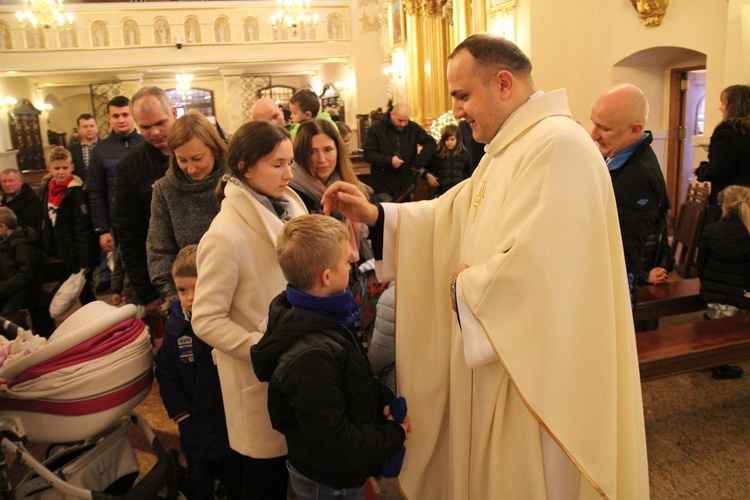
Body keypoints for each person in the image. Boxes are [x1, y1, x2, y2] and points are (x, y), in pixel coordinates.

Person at [322, 33, 648, 498]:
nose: (456, 109)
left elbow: (546, 268)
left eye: (462, 95)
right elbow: (454, 211)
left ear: (502, 84)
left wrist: (464, 287)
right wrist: (377, 214)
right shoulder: (515, 146)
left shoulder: (557, 146)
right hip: (504, 361)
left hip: (538, 380)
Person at [250, 214, 410, 500]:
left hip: (337, 471)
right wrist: (392, 435)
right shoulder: (311, 356)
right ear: (326, 276)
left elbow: (352, 375)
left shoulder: (322, 316)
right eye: (346, 263)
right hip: (330, 482)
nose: (352, 260)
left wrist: (381, 401)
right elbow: (334, 442)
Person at [192, 120, 307, 499]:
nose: (289, 174)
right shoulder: (225, 234)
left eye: (290, 162)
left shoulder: (291, 204)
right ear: (244, 167)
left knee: (299, 467)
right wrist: (258, 346)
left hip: (299, 363)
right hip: (257, 374)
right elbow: (205, 318)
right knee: (265, 477)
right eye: (277, 164)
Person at [154, 245, 243, 499]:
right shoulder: (175, 329)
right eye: (182, 290)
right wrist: (182, 415)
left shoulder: (226, 321)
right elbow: (167, 376)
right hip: (194, 425)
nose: (190, 297)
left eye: (197, 287)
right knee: (199, 484)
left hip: (228, 421)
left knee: (235, 479)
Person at [291, 119, 383, 341]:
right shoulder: (293, 196)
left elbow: (371, 238)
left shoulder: (353, 189)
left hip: (359, 282)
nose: (321, 159)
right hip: (319, 294)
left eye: (328, 149)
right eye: (312, 151)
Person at [590, 83, 669, 306]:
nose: (593, 134)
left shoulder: (640, 178)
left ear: (635, 129)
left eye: (604, 128)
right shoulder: (616, 156)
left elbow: (627, 252)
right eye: (593, 123)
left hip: (616, 288)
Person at [147, 111, 226, 301]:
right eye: (182, 160)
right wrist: (174, 298)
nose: (191, 169)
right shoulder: (164, 190)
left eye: (197, 158)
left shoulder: (236, 181)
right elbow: (159, 252)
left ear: (214, 149)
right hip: (191, 297)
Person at [115, 87, 176, 313]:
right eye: (146, 127)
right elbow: (129, 234)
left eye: (161, 122)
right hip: (160, 271)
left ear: (174, 114)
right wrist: (146, 291)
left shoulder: (201, 151)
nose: (155, 132)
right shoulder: (129, 166)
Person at [86, 96, 143, 298]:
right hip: (118, 223)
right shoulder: (100, 151)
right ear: (108, 119)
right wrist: (102, 229)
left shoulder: (146, 143)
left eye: (125, 114)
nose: (121, 120)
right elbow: (95, 192)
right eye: (116, 116)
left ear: (133, 116)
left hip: (147, 217)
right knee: (128, 270)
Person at [696, 185, 750, 379]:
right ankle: (720, 365)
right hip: (741, 295)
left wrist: (706, 283)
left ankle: (712, 353)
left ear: (723, 205)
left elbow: (700, 264)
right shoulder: (747, 233)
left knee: (718, 320)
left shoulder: (711, 230)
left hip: (712, 292)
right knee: (728, 326)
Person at [39, 146, 97, 306]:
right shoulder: (47, 188)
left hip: (75, 249)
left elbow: (82, 226)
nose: (60, 172)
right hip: (58, 247)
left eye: (65, 168)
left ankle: (94, 319)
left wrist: (85, 258)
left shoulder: (76, 191)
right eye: (56, 168)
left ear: (71, 167)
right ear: (49, 168)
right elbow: (46, 217)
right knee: (69, 289)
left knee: (82, 290)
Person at [694, 84, 750, 224]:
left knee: (720, 241)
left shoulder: (728, 133)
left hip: (729, 202)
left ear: (734, 106)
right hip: (746, 199)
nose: (720, 108)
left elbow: (719, 170)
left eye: (724, 103)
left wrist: (702, 170)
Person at [362, 102, 436, 202]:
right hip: (384, 186)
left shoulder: (412, 128)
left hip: (407, 186)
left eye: (406, 120)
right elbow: (368, 154)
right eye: (400, 120)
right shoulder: (375, 130)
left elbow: (430, 143)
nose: (403, 124)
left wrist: (417, 162)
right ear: (392, 114)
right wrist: (389, 161)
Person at [0, 207, 43, 316]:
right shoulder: (6, 241)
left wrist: (3, 288)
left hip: (23, 289)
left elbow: (25, 273)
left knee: (6, 317)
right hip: (10, 286)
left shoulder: (23, 244)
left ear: (2, 227)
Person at [422, 123, 472, 197]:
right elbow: (424, 167)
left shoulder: (464, 154)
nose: (449, 142)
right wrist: (426, 175)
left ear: (458, 139)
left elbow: (469, 172)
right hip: (441, 192)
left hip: (459, 192)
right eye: (446, 139)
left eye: (452, 139)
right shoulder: (438, 153)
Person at [1, 168, 43, 233]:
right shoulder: (4, 199)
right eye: (4, 181)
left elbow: (29, 224)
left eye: (11, 181)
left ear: (21, 182)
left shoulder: (32, 200)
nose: (7, 184)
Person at [68, 113, 99, 181]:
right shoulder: (71, 150)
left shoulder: (106, 146)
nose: (89, 129)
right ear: (78, 129)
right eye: (85, 127)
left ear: (97, 127)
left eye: (92, 126)